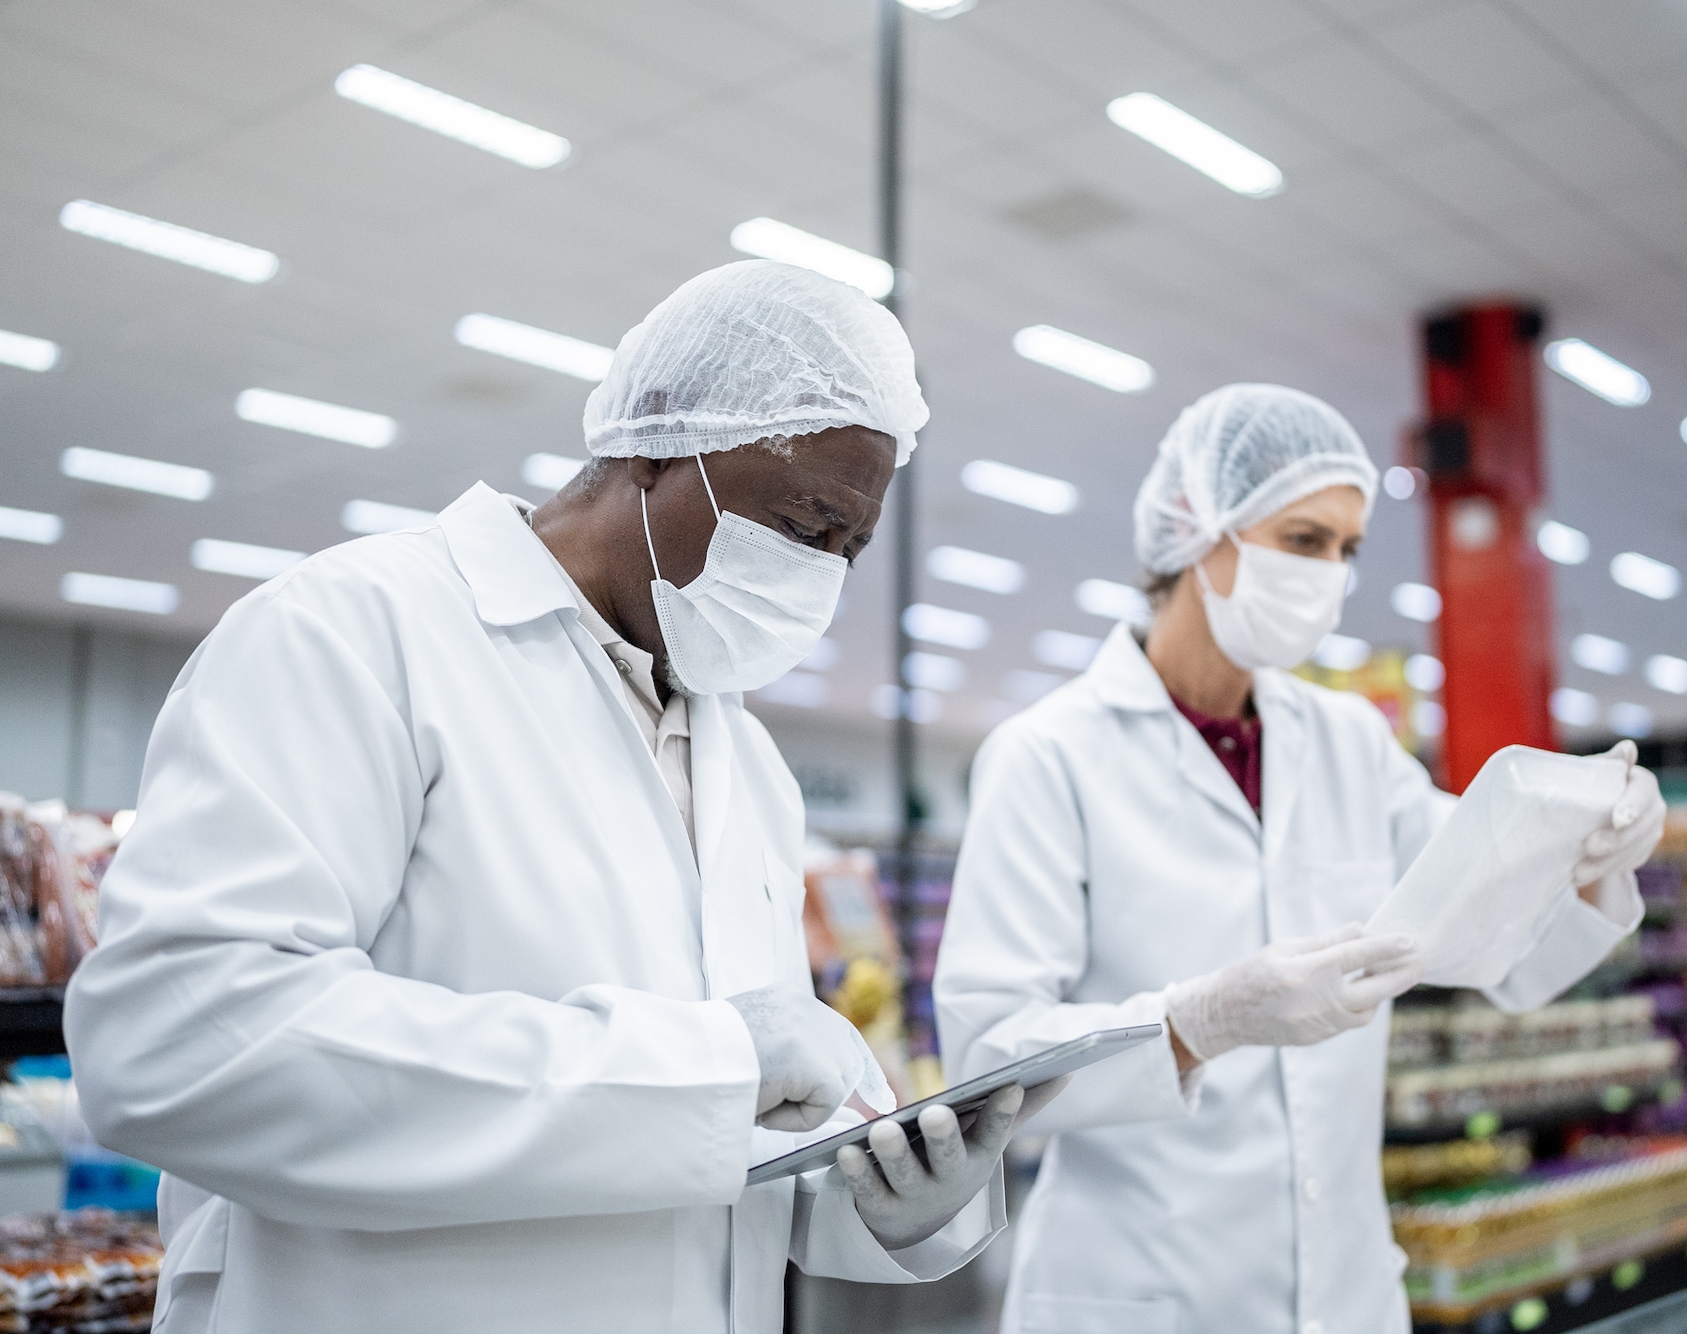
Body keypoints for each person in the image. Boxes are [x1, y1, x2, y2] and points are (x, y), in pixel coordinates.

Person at [64, 260, 1060, 1333]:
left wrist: (882, 1199)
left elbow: (715, 1152)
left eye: (847, 550)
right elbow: (183, 1043)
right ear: (656, 437)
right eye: (805, 522)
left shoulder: (747, 764)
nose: (820, 573)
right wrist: (707, 1071)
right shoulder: (355, 633)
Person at [933, 383, 1665, 1334]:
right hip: (1143, 1291)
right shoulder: (1049, 755)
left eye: (1348, 550)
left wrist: (1593, 847)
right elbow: (986, 1058)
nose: (1330, 573)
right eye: (1305, 540)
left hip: (1346, 1290)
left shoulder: (1352, 743)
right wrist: (1197, 1023)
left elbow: (1502, 945)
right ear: (1199, 526)